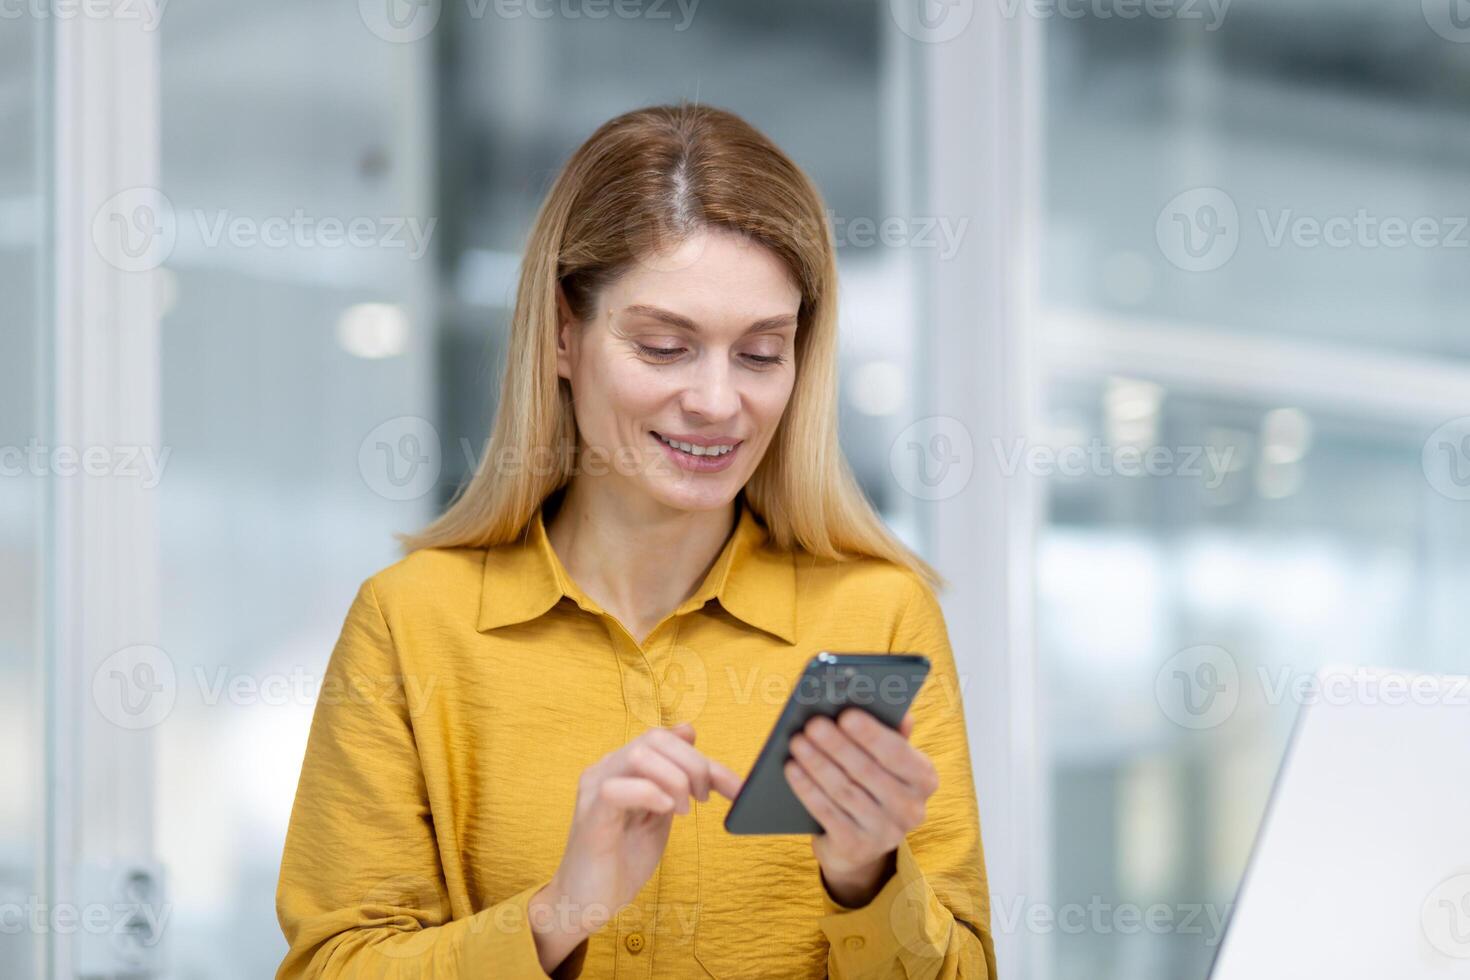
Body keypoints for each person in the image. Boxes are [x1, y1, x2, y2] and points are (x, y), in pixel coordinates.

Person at [274, 102, 997, 979]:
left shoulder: (877, 617)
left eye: (762, 354)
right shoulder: (412, 624)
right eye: (664, 347)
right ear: (563, 334)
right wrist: (557, 912)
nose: (718, 402)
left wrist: (865, 880)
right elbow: (332, 967)